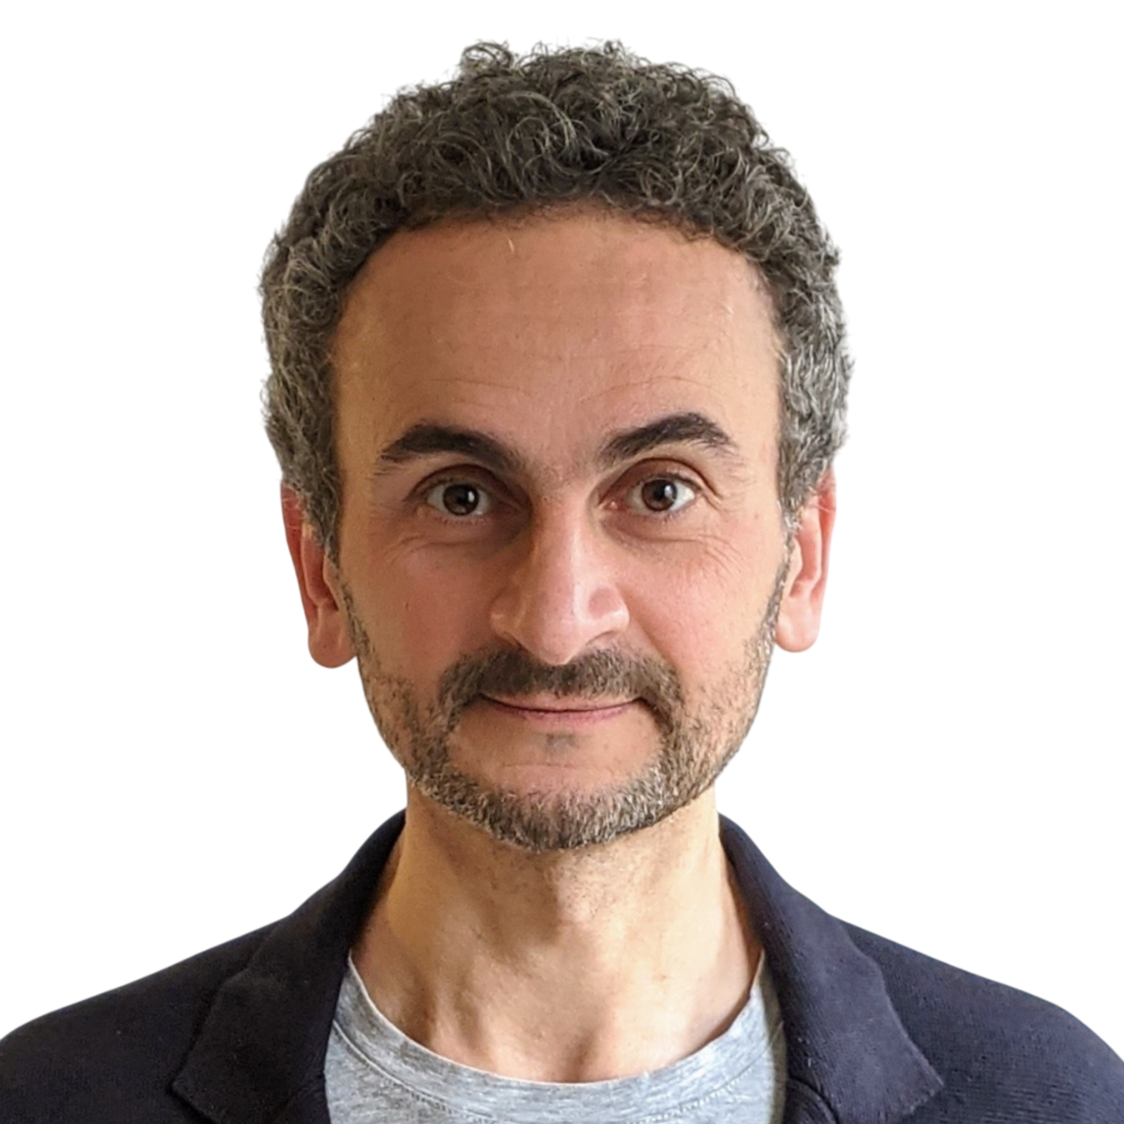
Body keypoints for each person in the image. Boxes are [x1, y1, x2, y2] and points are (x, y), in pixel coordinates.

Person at [1, 37, 1120, 1125]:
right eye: (460, 495)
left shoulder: (1061, 1100)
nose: (553, 621)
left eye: (661, 491)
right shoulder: (44, 1099)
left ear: (805, 558)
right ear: (320, 571)